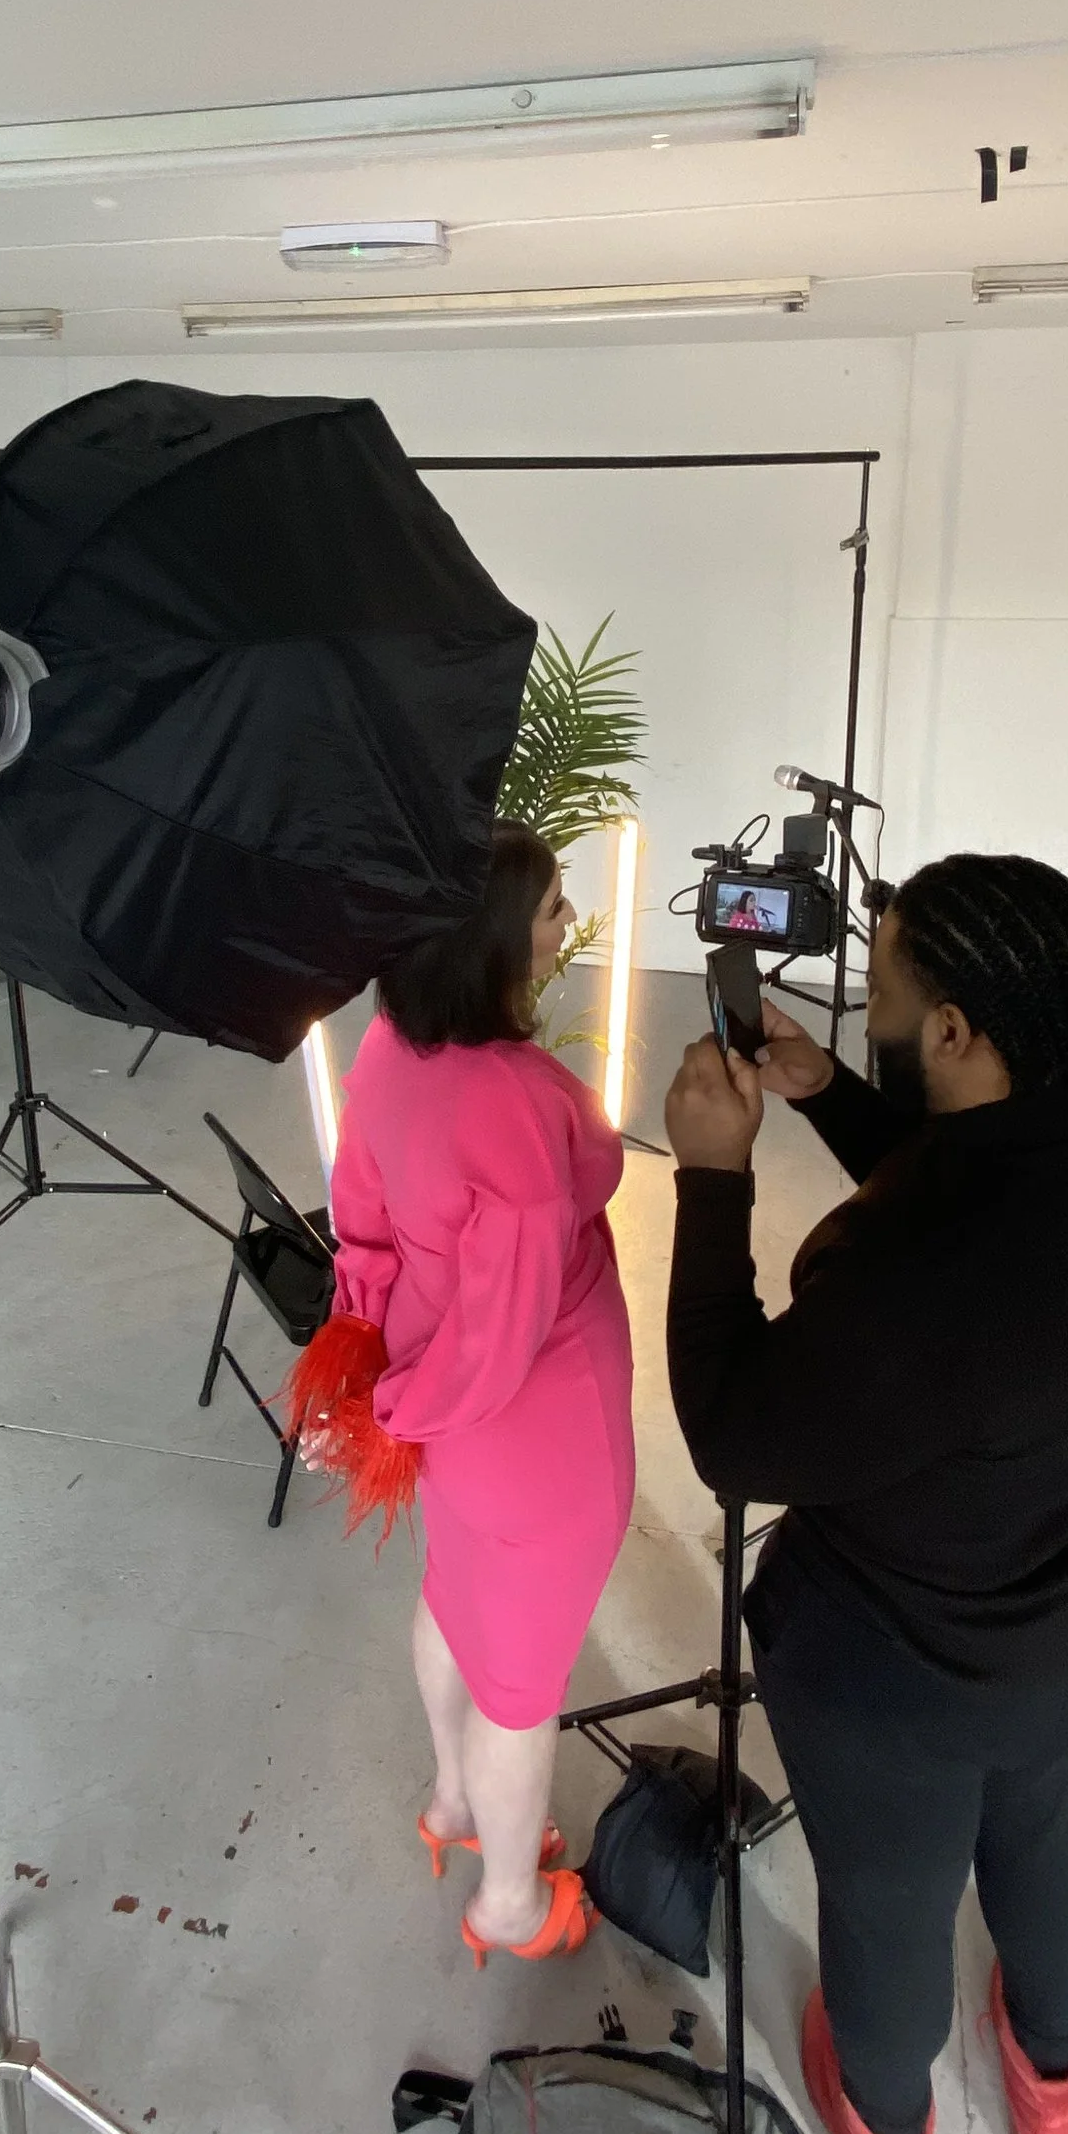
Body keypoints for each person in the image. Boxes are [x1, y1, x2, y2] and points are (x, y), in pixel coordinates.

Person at [661, 854, 1068, 2134]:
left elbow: (734, 1431)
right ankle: (1054, 2098)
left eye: (885, 991)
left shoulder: (911, 1285)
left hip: (899, 1672)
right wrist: (830, 1091)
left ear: (955, 1033)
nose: (869, 1005)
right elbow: (965, 1175)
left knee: (893, 1902)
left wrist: (714, 1181)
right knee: (1035, 1821)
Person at [317, 822, 635, 1966]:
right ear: (497, 936)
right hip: (531, 1434)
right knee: (522, 1685)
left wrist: (380, 1385)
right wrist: (395, 1412)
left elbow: (359, 1218)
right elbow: (500, 1342)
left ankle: (452, 1801)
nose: (566, 926)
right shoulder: (510, 1100)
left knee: (454, 1596)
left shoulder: (391, 1046)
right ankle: (508, 1902)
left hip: (441, 1412)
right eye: (552, 909)